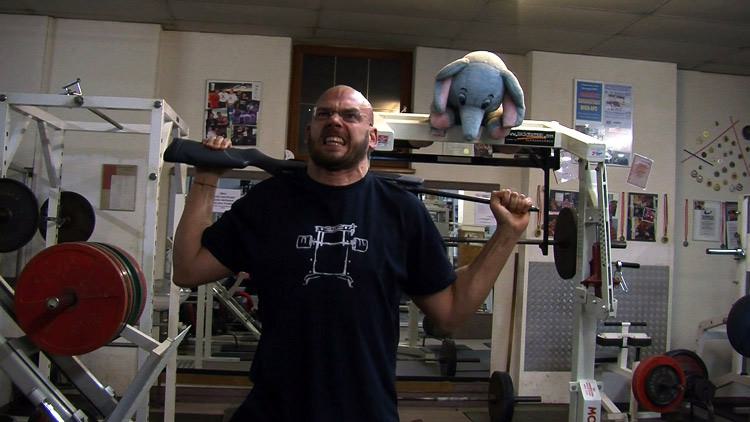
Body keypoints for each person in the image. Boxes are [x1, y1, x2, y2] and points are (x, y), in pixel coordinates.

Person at [172, 85, 533, 422]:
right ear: (310, 131)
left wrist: (507, 234)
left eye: (350, 115)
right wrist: (207, 177)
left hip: (365, 408)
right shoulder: (267, 202)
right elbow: (188, 269)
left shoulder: (402, 212)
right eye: (324, 114)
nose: (335, 120)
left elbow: (451, 312)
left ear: (373, 137)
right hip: (275, 407)